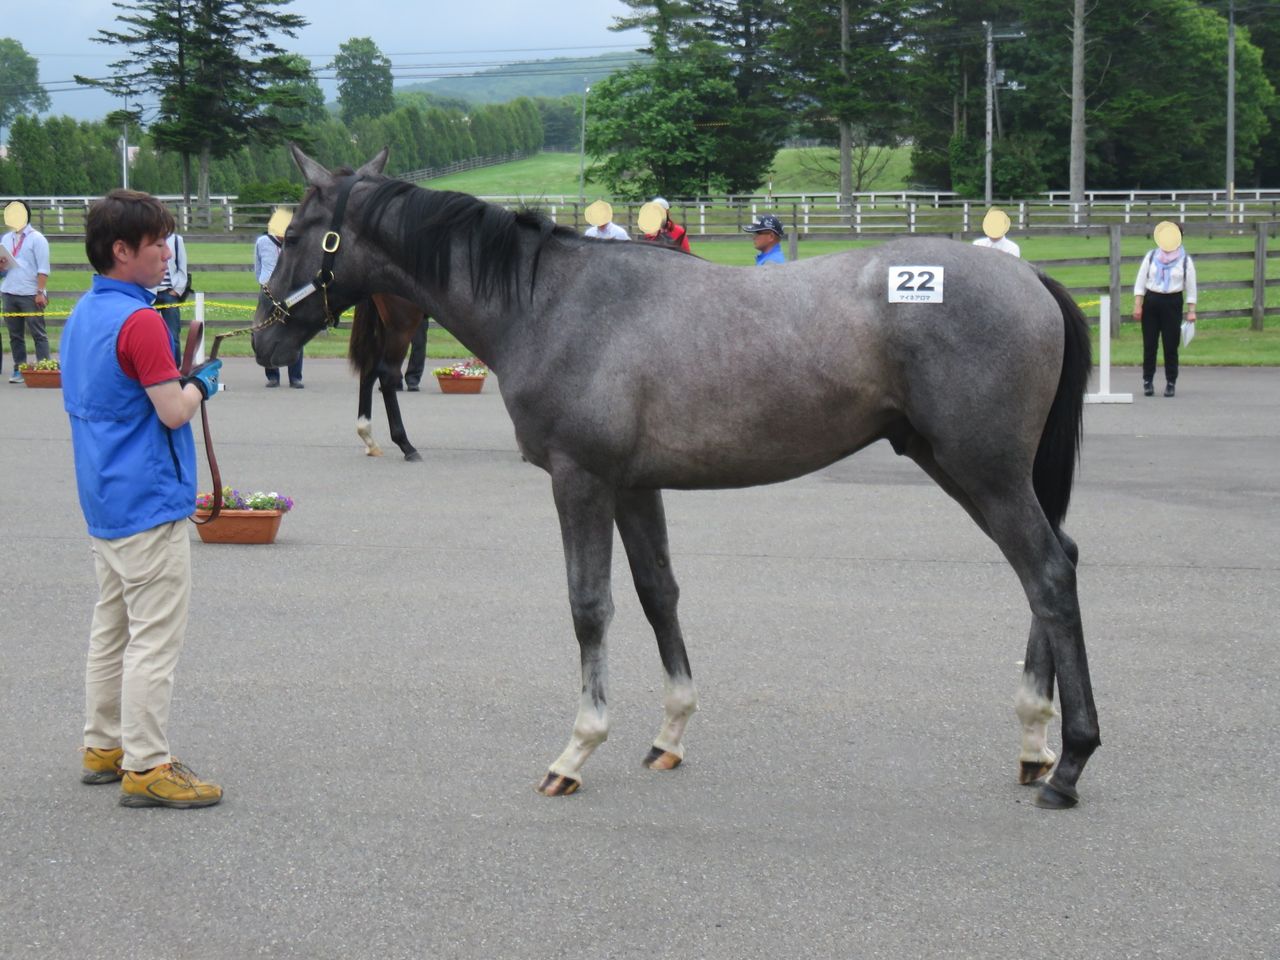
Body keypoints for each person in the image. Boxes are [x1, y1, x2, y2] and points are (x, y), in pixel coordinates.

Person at [61, 188, 224, 809]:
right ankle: (148, 764)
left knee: (112, 629)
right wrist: (202, 384)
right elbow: (173, 412)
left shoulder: (83, 315)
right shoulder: (142, 322)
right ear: (121, 250)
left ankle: (102, 746)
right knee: (154, 639)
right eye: (155, 244)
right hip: (149, 501)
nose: (165, 254)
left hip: (103, 498)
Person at [1133, 220, 1196, 398]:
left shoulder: (1185, 261)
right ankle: (1148, 381)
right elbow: (1140, 282)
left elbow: (1191, 287)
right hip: (1152, 300)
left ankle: (1170, 382)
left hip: (1172, 302)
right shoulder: (1152, 257)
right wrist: (1138, 304)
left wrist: (1192, 310)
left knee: (1170, 345)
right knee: (1150, 344)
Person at [1, 200, 52, 383]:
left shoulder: (37, 239)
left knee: (38, 332)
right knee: (15, 335)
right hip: (9, 291)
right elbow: (3, 271)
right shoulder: (6, 239)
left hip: (30, 292)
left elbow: (43, 269)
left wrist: (40, 291)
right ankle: (19, 368)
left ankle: (44, 367)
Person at [255, 208, 304, 387]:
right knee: (267, 332)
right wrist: (264, 284)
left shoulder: (297, 244)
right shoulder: (262, 242)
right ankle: (272, 376)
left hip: (291, 292)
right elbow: (258, 265)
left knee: (295, 332)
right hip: (268, 291)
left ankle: (295, 376)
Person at [148, 232, 189, 366]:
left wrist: (177, 290)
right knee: (148, 333)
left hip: (169, 293)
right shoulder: (146, 237)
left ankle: (174, 367)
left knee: (172, 333)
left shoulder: (176, 240)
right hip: (150, 292)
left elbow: (182, 266)